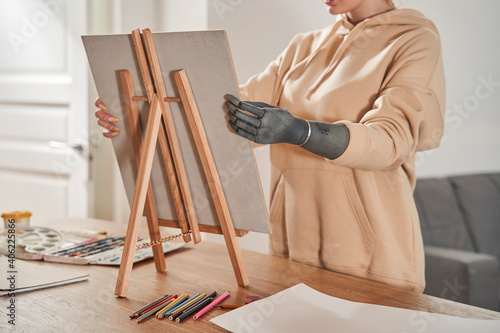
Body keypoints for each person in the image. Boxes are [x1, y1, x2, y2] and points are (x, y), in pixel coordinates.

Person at [95, 0, 445, 292]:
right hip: (293, 251)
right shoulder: (304, 47)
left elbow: (391, 139)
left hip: (373, 258)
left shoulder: (414, 39)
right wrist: (136, 114)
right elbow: (227, 117)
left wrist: (300, 131)